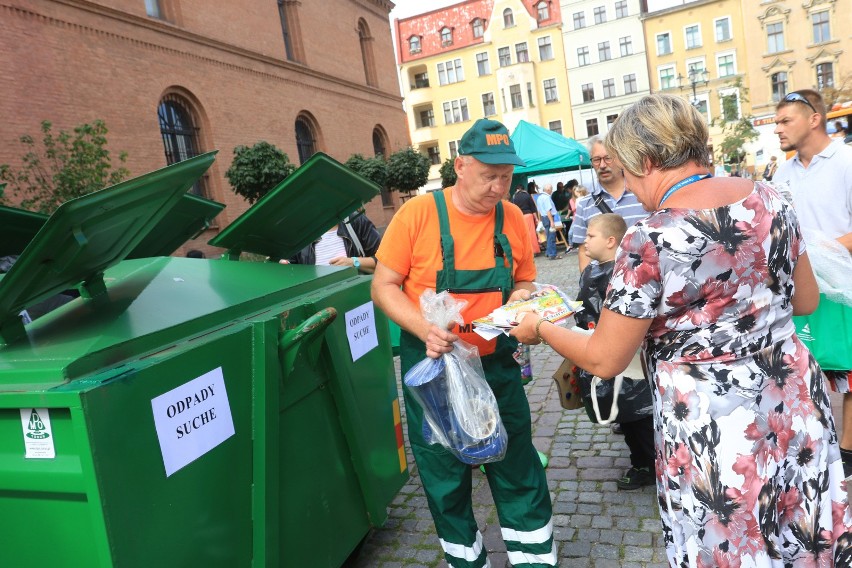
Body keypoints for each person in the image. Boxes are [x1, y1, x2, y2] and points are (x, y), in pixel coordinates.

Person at [510, 94, 852, 565]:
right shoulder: (770, 197)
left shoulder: (649, 239)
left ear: (648, 161)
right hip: (791, 401)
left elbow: (605, 357)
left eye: (630, 173)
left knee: (732, 545)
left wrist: (542, 329)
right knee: (800, 531)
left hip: (716, 427)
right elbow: (806, 300)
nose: (631, 188)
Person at [371, 118, 556, 568]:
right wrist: (423, 327)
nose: (498, 187)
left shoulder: (512, 216)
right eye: (489, 175)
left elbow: (526, 278)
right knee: (444, 476)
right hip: (435, 370)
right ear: (460, 165)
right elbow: (383, 286)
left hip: (497, 366)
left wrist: (520, 298)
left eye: (506, 176)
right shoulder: (417, 215)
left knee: (516, 465)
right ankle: (465, 561)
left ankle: (534, 559)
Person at [773, 89, 852, 476]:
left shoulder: (847, 161)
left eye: (785, 120)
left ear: (814, 119)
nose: (777, 129)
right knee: (805, 365)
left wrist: (817, 254)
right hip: (800, 288)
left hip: (846, 285)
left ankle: (850, 452)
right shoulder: (782, 172)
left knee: (850, 370)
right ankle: (813, 441)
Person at [573, 213, 655, 490]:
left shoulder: (623, 273)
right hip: (607, 351)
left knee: (638, 415)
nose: (584, 241)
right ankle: (643, 456)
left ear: (610, 241)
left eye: (590, 236)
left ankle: (647, 464)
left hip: (628, 359)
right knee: (625, 409)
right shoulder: (593, 271)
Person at [571, 135, 647, 272]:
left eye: (608, 158)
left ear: (620, 159)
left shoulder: (643, 195)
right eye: (596, 160)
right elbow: (583, 251)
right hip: (605, 286)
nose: (602, 165)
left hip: (644, 280)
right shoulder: (585, 204)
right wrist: (588, 287)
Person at [286, 213, 381, 273]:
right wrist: (283, 267)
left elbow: (384, 263)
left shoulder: (355, 221)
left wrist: (354, 262)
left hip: (356, 298)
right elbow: (292, 270)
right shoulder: (300, 232)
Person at [511, 183, 542, 256]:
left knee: (522, 235)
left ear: (517, 189)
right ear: (523, 188)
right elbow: (533, 208)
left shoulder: (514, 197)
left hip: (519, 217)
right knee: (531, 234)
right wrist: (536, 219)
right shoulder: (527, 195)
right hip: (528, 216)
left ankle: (525, 251)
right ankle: (534, 251)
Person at [536, 183, 562, 260]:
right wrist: (552, 221)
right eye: (551, 189)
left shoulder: (539, 197)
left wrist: (540, 219)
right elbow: (548, 210)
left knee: (548, 236)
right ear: (548, 190)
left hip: (544, 218)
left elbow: (539, 210)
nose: (551, 191)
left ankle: (548, 252)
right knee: (552, 236)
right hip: (548, 217)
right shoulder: (546, 198)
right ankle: (553, 254)